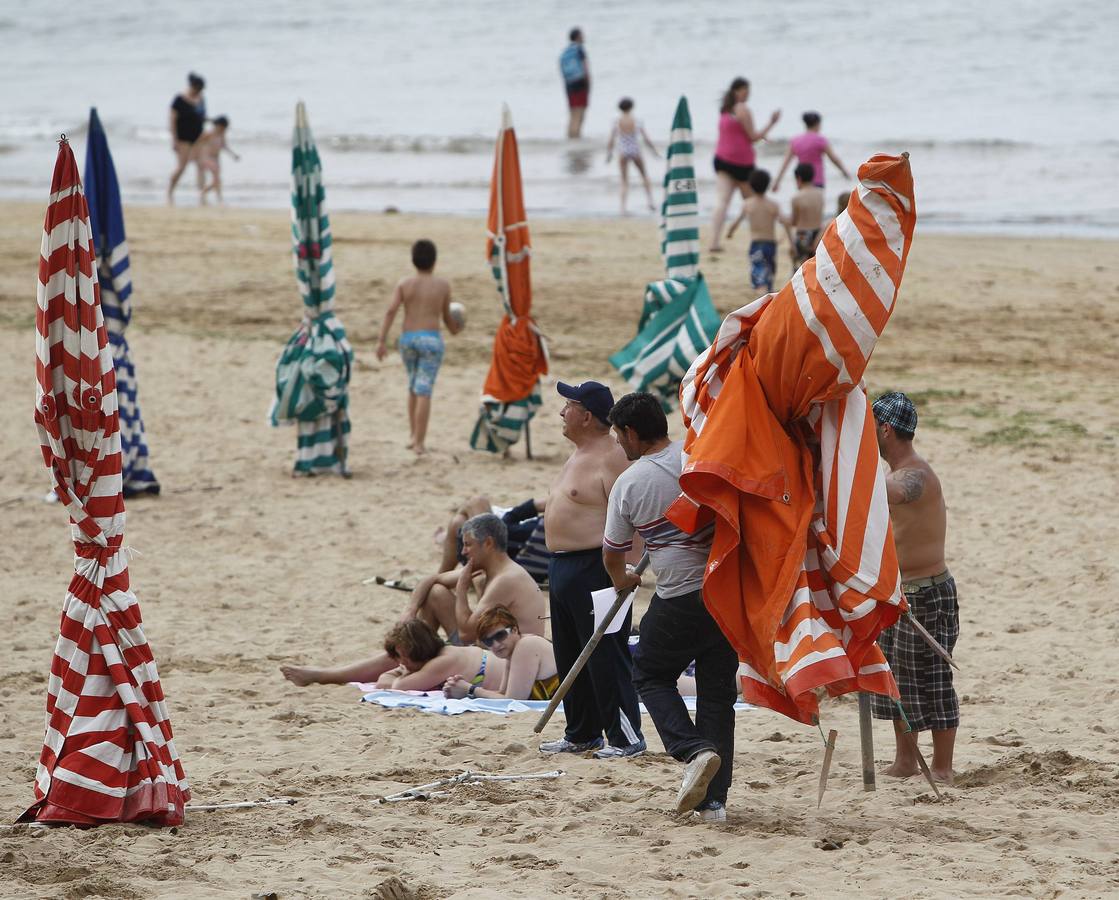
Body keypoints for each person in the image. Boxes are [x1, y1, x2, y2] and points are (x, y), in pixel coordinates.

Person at [602, 392, 737, 822]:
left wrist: (623, 579)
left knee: (649, 673)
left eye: (618, 435)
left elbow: (613, 553)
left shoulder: (631, 482)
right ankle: (714, 803)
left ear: (633, 433)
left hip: (680, 596)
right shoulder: (699, 454)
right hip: (726, 592)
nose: (618, 443)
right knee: (717, 695)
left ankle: (692, 749)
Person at [539, 380, 646, 759]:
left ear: (586, 415)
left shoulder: (612, 455)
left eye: (567, 405)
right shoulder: (578, 452)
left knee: (605, 653)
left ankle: (626, 737)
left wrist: (628, 568)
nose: (560, 413)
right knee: (570, 653)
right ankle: (582, 732)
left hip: (597, 566)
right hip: (562, 566)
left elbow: (632, 511)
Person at [869, 391, 960, 785]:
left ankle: (942, 767)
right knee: (899, 679)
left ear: (885, 430)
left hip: (928, 595)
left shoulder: (914, 475)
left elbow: (893, 493)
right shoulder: (894, 473)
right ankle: (905, 761)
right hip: (901, 594)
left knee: (933, 678)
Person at [402, 513, 546, 645]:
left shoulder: (507, 579)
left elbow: (466, 634)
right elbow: (431, 580)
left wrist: (461, 590)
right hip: (489, 648)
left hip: (505, 660)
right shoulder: (487, 568)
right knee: (435, 592)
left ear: (488, 543)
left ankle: (416, 652)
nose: (463, 551)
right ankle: (415, 651)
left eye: (468, 544)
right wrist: (410, 611)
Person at [376, 239, 462, 454]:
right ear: (434, 261)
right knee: (424, 390)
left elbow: (391, 311)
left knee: (413, 386)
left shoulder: (404, 284)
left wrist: (381, 341)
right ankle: (419, 443)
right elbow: (447, 319)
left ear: (413, 261)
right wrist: (456, 328)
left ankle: (413, 435)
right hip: (431, 340)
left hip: (408, 340)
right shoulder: (442, 285)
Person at [279, 618, 506, 693]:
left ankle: (324, 675)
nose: (399, 663)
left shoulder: (443, 662)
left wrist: (395, 674)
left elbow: (390, 686)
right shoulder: (445, 653)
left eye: (401, 657)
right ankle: (324, 674)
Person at [709, 77, 780, 253]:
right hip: (742, 165)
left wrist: (761, 136)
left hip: (722, 159)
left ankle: (713, 242)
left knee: (722, 202)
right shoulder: (743, 109)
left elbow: (737, 134)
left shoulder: (725, 110)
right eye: (745, 91)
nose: (747, 94)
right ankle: (762, 237)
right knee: (754, 203)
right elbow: (752, 137)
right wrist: (772, 122)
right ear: (736, 91)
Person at [443, 606, 559, 701]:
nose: (496, 644)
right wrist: (461, 689)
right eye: (488, 641)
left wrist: (470, 689)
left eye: (500, 635)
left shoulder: (526, 645)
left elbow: (513, 700)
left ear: (514, 630)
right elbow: (501, 693)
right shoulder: (512, 652)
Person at [437, 495, 549, 581]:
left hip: (500, 559)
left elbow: (506, 529)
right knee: (458, 522)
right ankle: (442, 576)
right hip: (514, 557)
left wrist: (536, 505)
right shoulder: (560, 533)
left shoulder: (549, 525)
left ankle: (441, 576)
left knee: (477, 502)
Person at [726, 169, 793, 293]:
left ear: (750, 185)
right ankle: (767, 294)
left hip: (756, 245)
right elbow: (785, 222)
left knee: (759, 275)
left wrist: (730, 232)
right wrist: (791, 242)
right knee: (769, 274)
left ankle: (762, 296)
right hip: (770, 245)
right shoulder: (773, 205)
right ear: (767, 185)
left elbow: (737, 221)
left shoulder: (747, 204)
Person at [773, 111, 850, 193]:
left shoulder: (795, 140)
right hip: (817, 179)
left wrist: (777, 182)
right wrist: (844, 172)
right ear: (818, 124)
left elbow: (785, 163)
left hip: (801, 180)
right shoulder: (820, 140)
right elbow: (834, 159)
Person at [606, 98, 658, 214]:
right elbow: (646, 139)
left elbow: (611, 140)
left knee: (624, 181)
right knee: (644, 176)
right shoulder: (637, 121)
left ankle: (622, 208)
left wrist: (609, 154)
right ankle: (651, 202)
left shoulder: (616, 122)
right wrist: (654, 151)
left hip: (623, 152)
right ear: (632, 107)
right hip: (635, 151)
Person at [168, 72, 207, 205]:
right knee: (182, 167)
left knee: (201, 166)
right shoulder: (179, 100)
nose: (199, 91)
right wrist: (174, 140)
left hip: (199, 139)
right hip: (183, 139)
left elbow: (202, 117)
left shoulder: (201, 99)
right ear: (192, 86)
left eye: (201, 90)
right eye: (197, 89)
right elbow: (172, 121)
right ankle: (170, 191)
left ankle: (202, 194)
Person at [789, 162, 824, 270]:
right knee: (815, 268)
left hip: (803, 235)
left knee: (801, 268)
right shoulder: (820, 194)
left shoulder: (797, 198)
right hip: (818, 233)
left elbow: (794, 221)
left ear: (798, 178)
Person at [198, 116, 240, 205]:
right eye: (224, 127)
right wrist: (195, 156)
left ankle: (208, 194)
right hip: (207, 157)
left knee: (217, 180)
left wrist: (233, 155)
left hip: (216, 159)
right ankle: (217, 198)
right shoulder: (209, 134)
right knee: (217, 179)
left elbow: (224, 146)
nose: (224, 130)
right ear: (219, 126)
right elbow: (197, 144)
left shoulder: (221, 135)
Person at [559, 28, 590, 139]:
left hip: (569, 85)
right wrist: (589, 84)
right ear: (577, 37)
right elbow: (586, 68)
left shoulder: (565, 52)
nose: (584, 36)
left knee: (572, 113)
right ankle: (576, 139)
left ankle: (570, 138)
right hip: (580, 83)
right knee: (579, 113)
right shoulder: (579, 49)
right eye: (582, 35)